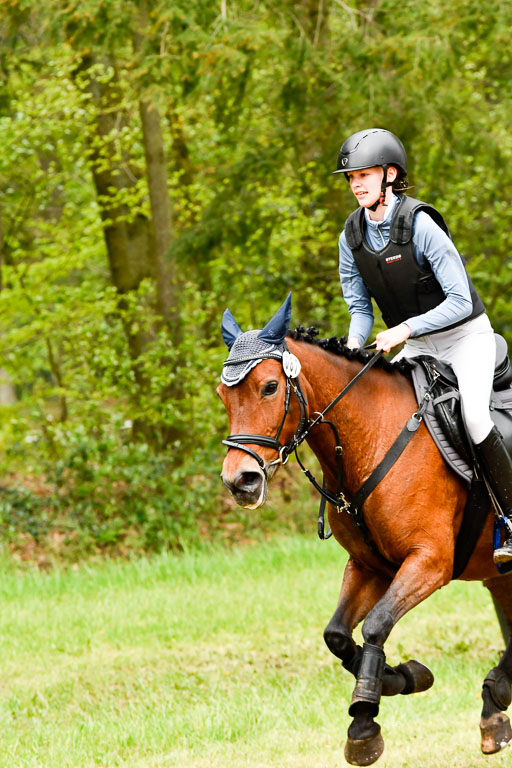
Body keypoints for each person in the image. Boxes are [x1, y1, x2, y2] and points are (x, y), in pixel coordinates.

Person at [334, 127, 512, 564]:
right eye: (350, 177)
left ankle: (510, 519)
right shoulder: (350, 237)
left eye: (365, 174)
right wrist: (355, 349)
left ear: (390, 174)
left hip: (465, 338)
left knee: (472, 416)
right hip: (416, 345)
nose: (356, 183)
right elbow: (360, 309)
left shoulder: (421, 224)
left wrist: (406, 330)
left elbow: (461, 300)